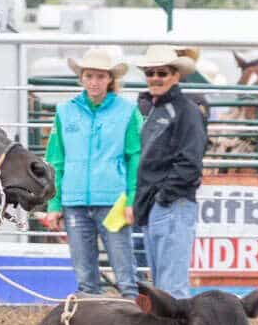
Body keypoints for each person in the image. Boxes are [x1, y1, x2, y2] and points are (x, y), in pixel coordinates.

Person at [44, 49, 142, 300]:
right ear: (82, 78)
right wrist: (54, 203)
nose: (94, 82)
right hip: (74, 201)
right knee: (85, 276)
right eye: (89, 76)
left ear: (109, 79)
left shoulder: (128, 111)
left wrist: (132, 199)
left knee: (125, 273)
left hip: (114, 202)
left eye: (100, 76)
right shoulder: (65, 112)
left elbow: (136, 157)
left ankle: (133, 318)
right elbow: (56, 159)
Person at [132, 45, 207, 299]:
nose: (155, 78)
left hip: (171, 203)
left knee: (171, 286)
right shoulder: (159, 109)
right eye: (151, 73)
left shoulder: (185, 111)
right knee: (164, 284)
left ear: (175, 75)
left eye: (161, 73)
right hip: (159, 203)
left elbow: (190, 162)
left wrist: (164, 195)